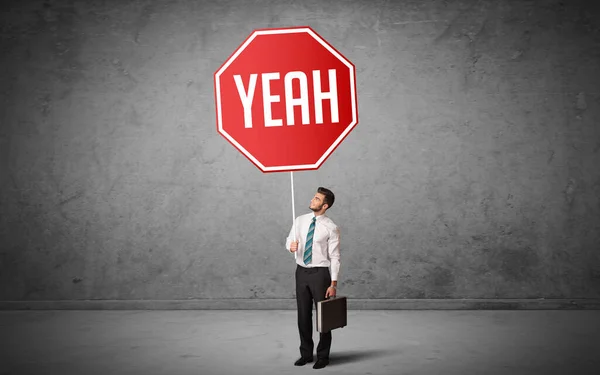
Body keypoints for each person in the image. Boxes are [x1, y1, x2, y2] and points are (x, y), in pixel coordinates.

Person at [285, 187, 341, 370]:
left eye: (316, 198)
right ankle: (306, 354)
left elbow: (335, 257)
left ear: (324, 205)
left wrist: (333, 283)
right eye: (313, 197)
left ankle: (323, 356)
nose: (312, 200)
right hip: (301, 272)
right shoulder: (300, 220)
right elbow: (289, 239)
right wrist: (290, 246)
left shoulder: (331, 227)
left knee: (323, 317)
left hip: (320, 274)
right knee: (303, 315)